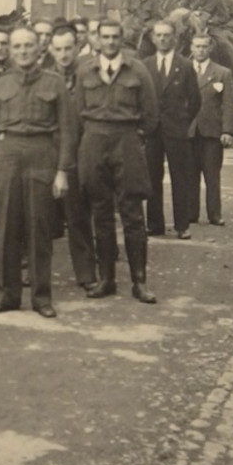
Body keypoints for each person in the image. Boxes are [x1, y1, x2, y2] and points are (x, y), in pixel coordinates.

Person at [0, 27, 75, 317]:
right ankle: (7, 294)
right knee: (6, 227)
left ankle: (42, 297)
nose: (22, 51)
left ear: (39, 49)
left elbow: (68, 132)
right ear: (10, 49)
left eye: (28, 46)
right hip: (7, 158)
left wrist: (62, 171)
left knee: (39, 228)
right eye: (17, 46)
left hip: (42, 155)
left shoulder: (54, 83)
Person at [76, 18, 159, 304]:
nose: (110, 42)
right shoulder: (84, 70)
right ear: (97, 39)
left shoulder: (137, 70)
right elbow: (78, 111)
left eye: (115, 37)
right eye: (105, 37)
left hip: (126, 142)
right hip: (94, 141)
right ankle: (106, 278)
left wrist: (132, 137)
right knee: (100, 212)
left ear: (122, 39)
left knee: (133, 214)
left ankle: (139, 282)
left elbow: (150, 115)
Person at [46, 25, 97, 290]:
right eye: (59, 49)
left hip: (76, 154)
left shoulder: (87, 76)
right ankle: (36, 272)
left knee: (77, 217)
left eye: (68, 48)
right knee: (40, 217)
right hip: (46, 154)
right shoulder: (44, 77)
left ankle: (86, 273)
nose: (64, 54)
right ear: (50, 50)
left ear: (77, 47)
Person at [141, 20, 202, 240]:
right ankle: (155, 224)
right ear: (153, 38)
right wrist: (145, 124)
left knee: (180, 177)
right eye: (159, 35)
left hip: (176, 130)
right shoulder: (145, 65)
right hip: (152, 130)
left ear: (174, 38)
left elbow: (195, 99)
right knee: (152, 177)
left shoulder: (185, 66)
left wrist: (183, 122)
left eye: (167, 35)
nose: (163, 39)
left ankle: (182, 225)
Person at [188, 33, 233, 227]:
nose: (200, 50)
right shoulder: (183, 70)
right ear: (191, 48)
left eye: (204, 47)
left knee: (212, 175)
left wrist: (227, 131)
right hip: (189, 131)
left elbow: (228, 104)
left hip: (212, 132)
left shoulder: (222, 73)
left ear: (210, 49)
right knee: (189, 174)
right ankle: (191, 213)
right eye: (197, 46)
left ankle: (214, 214)